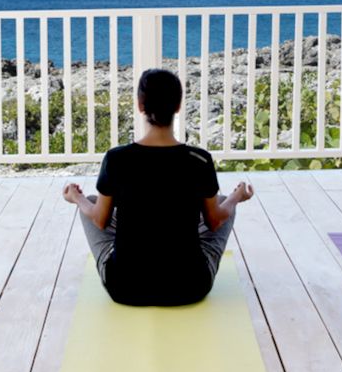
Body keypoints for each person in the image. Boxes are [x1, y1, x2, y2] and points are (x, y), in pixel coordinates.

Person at [64, 67, 253, 306]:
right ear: (178, 106)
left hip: (125, 286)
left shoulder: (117, 159)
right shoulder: (199, 159)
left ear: (140, 105)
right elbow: (215, 221)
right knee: (223, 204)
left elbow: (100, 221)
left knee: (91, 203)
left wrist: (76, 199)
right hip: (190, 286)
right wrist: (237, 197)